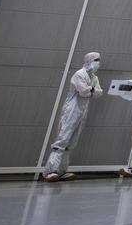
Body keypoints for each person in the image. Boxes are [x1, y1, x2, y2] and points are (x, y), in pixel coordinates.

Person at [44, 51, 103, 182]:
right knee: (62, 140)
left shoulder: (94, 78)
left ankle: (61, 171)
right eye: (96, 60)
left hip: (82, 111)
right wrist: (92, 90)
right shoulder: (79, 74)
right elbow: (83, 92)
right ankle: (50, 171)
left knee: (71, 142)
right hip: (71, 110)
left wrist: (91, 90)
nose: (98, 63)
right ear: (89, 60)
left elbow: (99, 93)